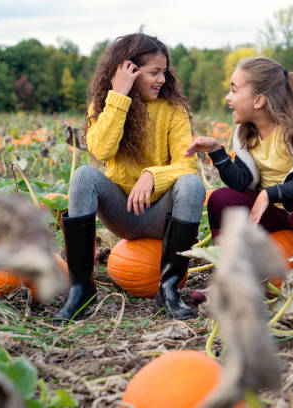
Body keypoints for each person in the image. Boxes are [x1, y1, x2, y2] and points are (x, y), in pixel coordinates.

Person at [56, 33, 205, 321]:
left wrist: (152, 175)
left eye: (164, 72)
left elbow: (186, 166)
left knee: (192, 183)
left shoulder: (173, 110)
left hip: (162, 214)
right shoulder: (104, 106)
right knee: (83, 176)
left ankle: (169, 288)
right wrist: (118, 98)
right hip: (123, 212)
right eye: (154, 72)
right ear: (130, 72)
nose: (162, 79)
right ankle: (81, 289)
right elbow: (100, 149)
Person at [186, 56, 293, 252]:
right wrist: (217, 152)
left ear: (258, 101)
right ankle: (227, 265)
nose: (228, 97)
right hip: (267, 215)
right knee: (219, 199)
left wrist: (270, 193)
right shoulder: (245, 134)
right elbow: (241, 181)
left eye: (234, 90)